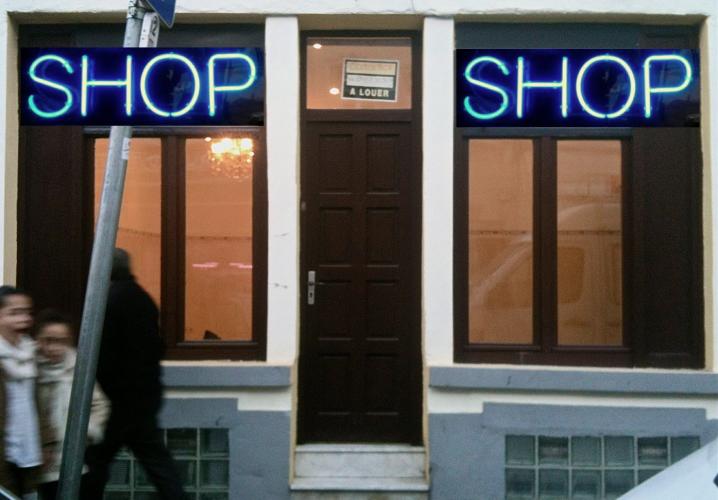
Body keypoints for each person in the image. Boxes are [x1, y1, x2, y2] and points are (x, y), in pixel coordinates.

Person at [84, 248, 188, 499]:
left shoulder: (108, 301)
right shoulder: (142, 298)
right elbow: (156, 347)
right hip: (143, 398)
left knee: (94, 463)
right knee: (158, 464)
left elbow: (102, 355)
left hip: (114, 401)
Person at [34, 309, 109, 500]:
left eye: (61, 341)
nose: (54, 347)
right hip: (41, 459)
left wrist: (87, 431)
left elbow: (99, 404)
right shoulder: (29, 369)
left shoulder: (77, 368)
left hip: (73, 456)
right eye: (48, 340)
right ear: (38, 340)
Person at [0, 286, 46, 497]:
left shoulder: (32, 353)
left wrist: (47, 442)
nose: (24, 318)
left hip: (29, 447)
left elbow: (41, 402)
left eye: (27, 312)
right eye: (15, 313)